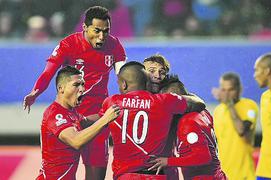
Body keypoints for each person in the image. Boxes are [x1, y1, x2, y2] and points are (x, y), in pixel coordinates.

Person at [23, 6, 126, 179]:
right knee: (60, 172)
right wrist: (36, 92)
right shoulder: (68, 44)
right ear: (85, 27)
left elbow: (124, 76)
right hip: (70, 117)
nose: (102, 36)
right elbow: (49, 72)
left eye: (106, 31)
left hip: (96, 118)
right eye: (97, 31)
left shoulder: (114, 45)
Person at [98, 61, 205, 179]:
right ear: (146, 81)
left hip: (126, 175)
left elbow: (98, 123)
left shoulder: (112, 102)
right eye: (151, 71)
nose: (157, 76)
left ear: (123, 84)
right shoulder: (166, 101)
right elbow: (199, 103)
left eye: (161, 72)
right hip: (158, 173)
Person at [36, 66, 120, 180]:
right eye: (76, 85)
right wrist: (105, 119)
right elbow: (76, 141)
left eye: (82, 84)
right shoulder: (55, 114)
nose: (82, 89)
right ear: (61, 88)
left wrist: (118, 108)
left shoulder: (71, 112)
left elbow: (86, 121)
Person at [148, 75, 226, 180]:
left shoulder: (187, 122)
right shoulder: (204, 113)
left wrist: (168, 161)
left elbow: (204, 157)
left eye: (166, 101)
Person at [212, 72, 258, 180]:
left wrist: (229, 105)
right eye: (224, 90)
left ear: (239, 89)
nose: (227, 94)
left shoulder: (249, 106)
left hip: (244, 175)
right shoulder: (218, 110)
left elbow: (241, 130)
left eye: (231, 90)